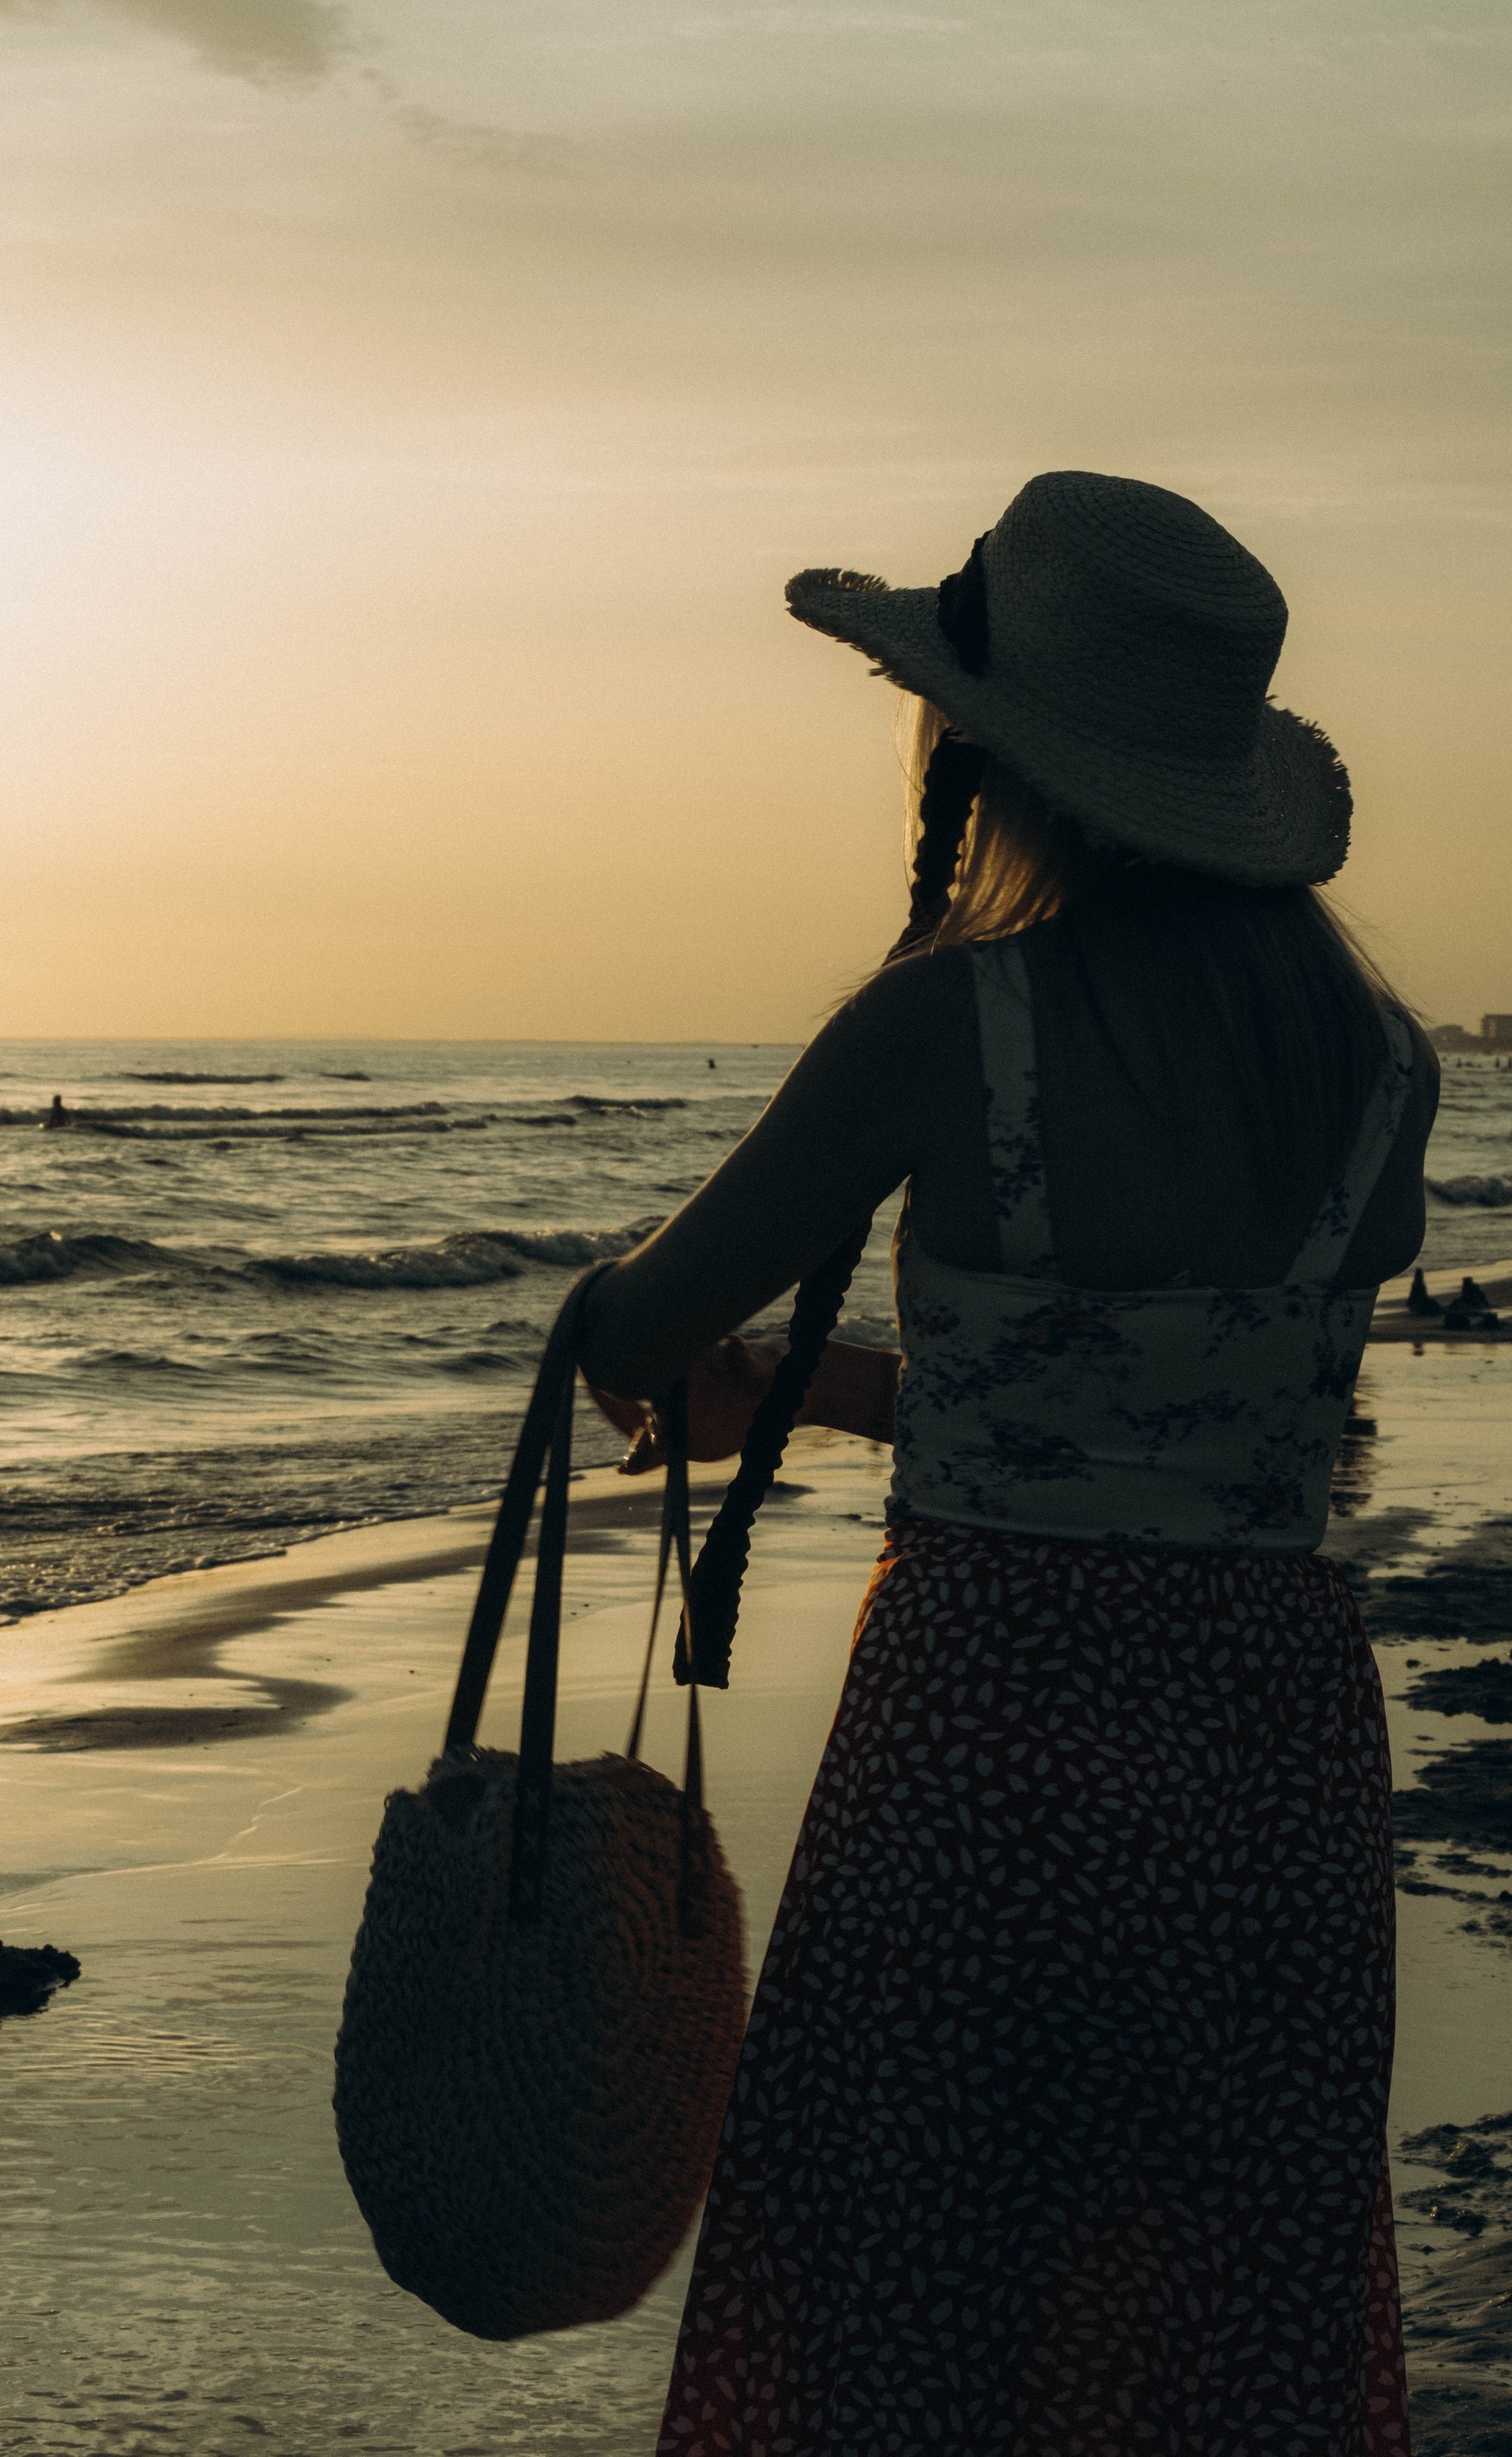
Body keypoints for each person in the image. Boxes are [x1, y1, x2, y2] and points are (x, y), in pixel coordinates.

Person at [578, 472, 1434, 2457]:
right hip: (1268, 1738)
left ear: (986, 749)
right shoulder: (1380, 1064)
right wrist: (837, 1386)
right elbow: (1173, 1414)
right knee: (1221, 2283)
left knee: (921, 2262)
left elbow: (640, 1323)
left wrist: (638, 1332)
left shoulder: (949, 1025)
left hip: (993, 1716)